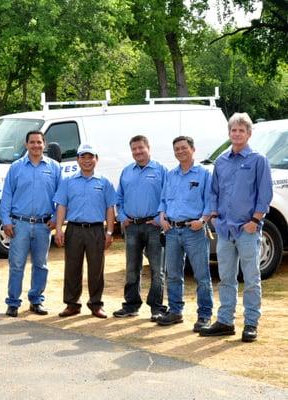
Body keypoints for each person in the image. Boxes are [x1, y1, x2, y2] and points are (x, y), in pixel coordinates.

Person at [200, 113, 272, 342]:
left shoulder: (258, 160)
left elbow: (265, 194)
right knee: (225, 278)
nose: (237, 133)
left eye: (241, 130)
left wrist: (255, 221)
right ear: (229, 133)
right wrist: (213, 217)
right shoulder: (221, 161)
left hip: (247, 230)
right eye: (234, 130)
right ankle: (225, 321)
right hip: (224, 229)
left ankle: (251, 323)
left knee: (251, 279)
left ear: (249, 134)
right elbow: (213, 192)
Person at [0, 131, 62, 317]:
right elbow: (7, 196)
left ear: (45, 144)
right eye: (32, 142)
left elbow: (61, 197)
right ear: (26, 145)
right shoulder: (16, 168)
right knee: (17, 264)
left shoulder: (54, 168)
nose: (36, 145)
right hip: (20, 224)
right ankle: (13, 303)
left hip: (44, 225)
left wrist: (56, 219)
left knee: (40, 265)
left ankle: (36, 300)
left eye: (39, 142)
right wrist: (5, 221)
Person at [157, 136, 213, 332]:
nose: (180, 151)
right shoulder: (171, 175)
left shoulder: (204, 174)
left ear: (193, 149)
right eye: (176, 149)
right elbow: (163, 200)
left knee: (202, 275)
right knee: (173, 274)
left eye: (183, 148)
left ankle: (204, 315)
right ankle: (175, 311)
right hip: (172, 230)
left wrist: (203, 221)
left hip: (194, 231)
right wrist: (162, 217)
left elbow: (210, 201)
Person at [54, 144, 116, 318]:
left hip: (96, 230)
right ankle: (72, 304)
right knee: (72, 268)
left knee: (96, 268)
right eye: (83, 157)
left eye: (90, 157)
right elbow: (61, 206)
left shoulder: (104, 182)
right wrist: (59, 229)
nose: (87, 161)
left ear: (96, 159)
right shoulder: (68, 181)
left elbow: (110, 208)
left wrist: (110, 232)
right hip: (74, 229)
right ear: (77, 159)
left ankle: (96, 304)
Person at [113, 135, 167, 321]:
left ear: (148, 148)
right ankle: (131, 305)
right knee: (131, 268)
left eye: (141, 148)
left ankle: (157, 308)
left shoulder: (161, 170)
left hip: (153, 226)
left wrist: (160, 219)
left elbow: (167, 198)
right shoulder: (126, 171)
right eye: (134, 149)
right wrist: (122, 217)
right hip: (132, 227)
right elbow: (118, 198)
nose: (137, 152)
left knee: (156, 269)